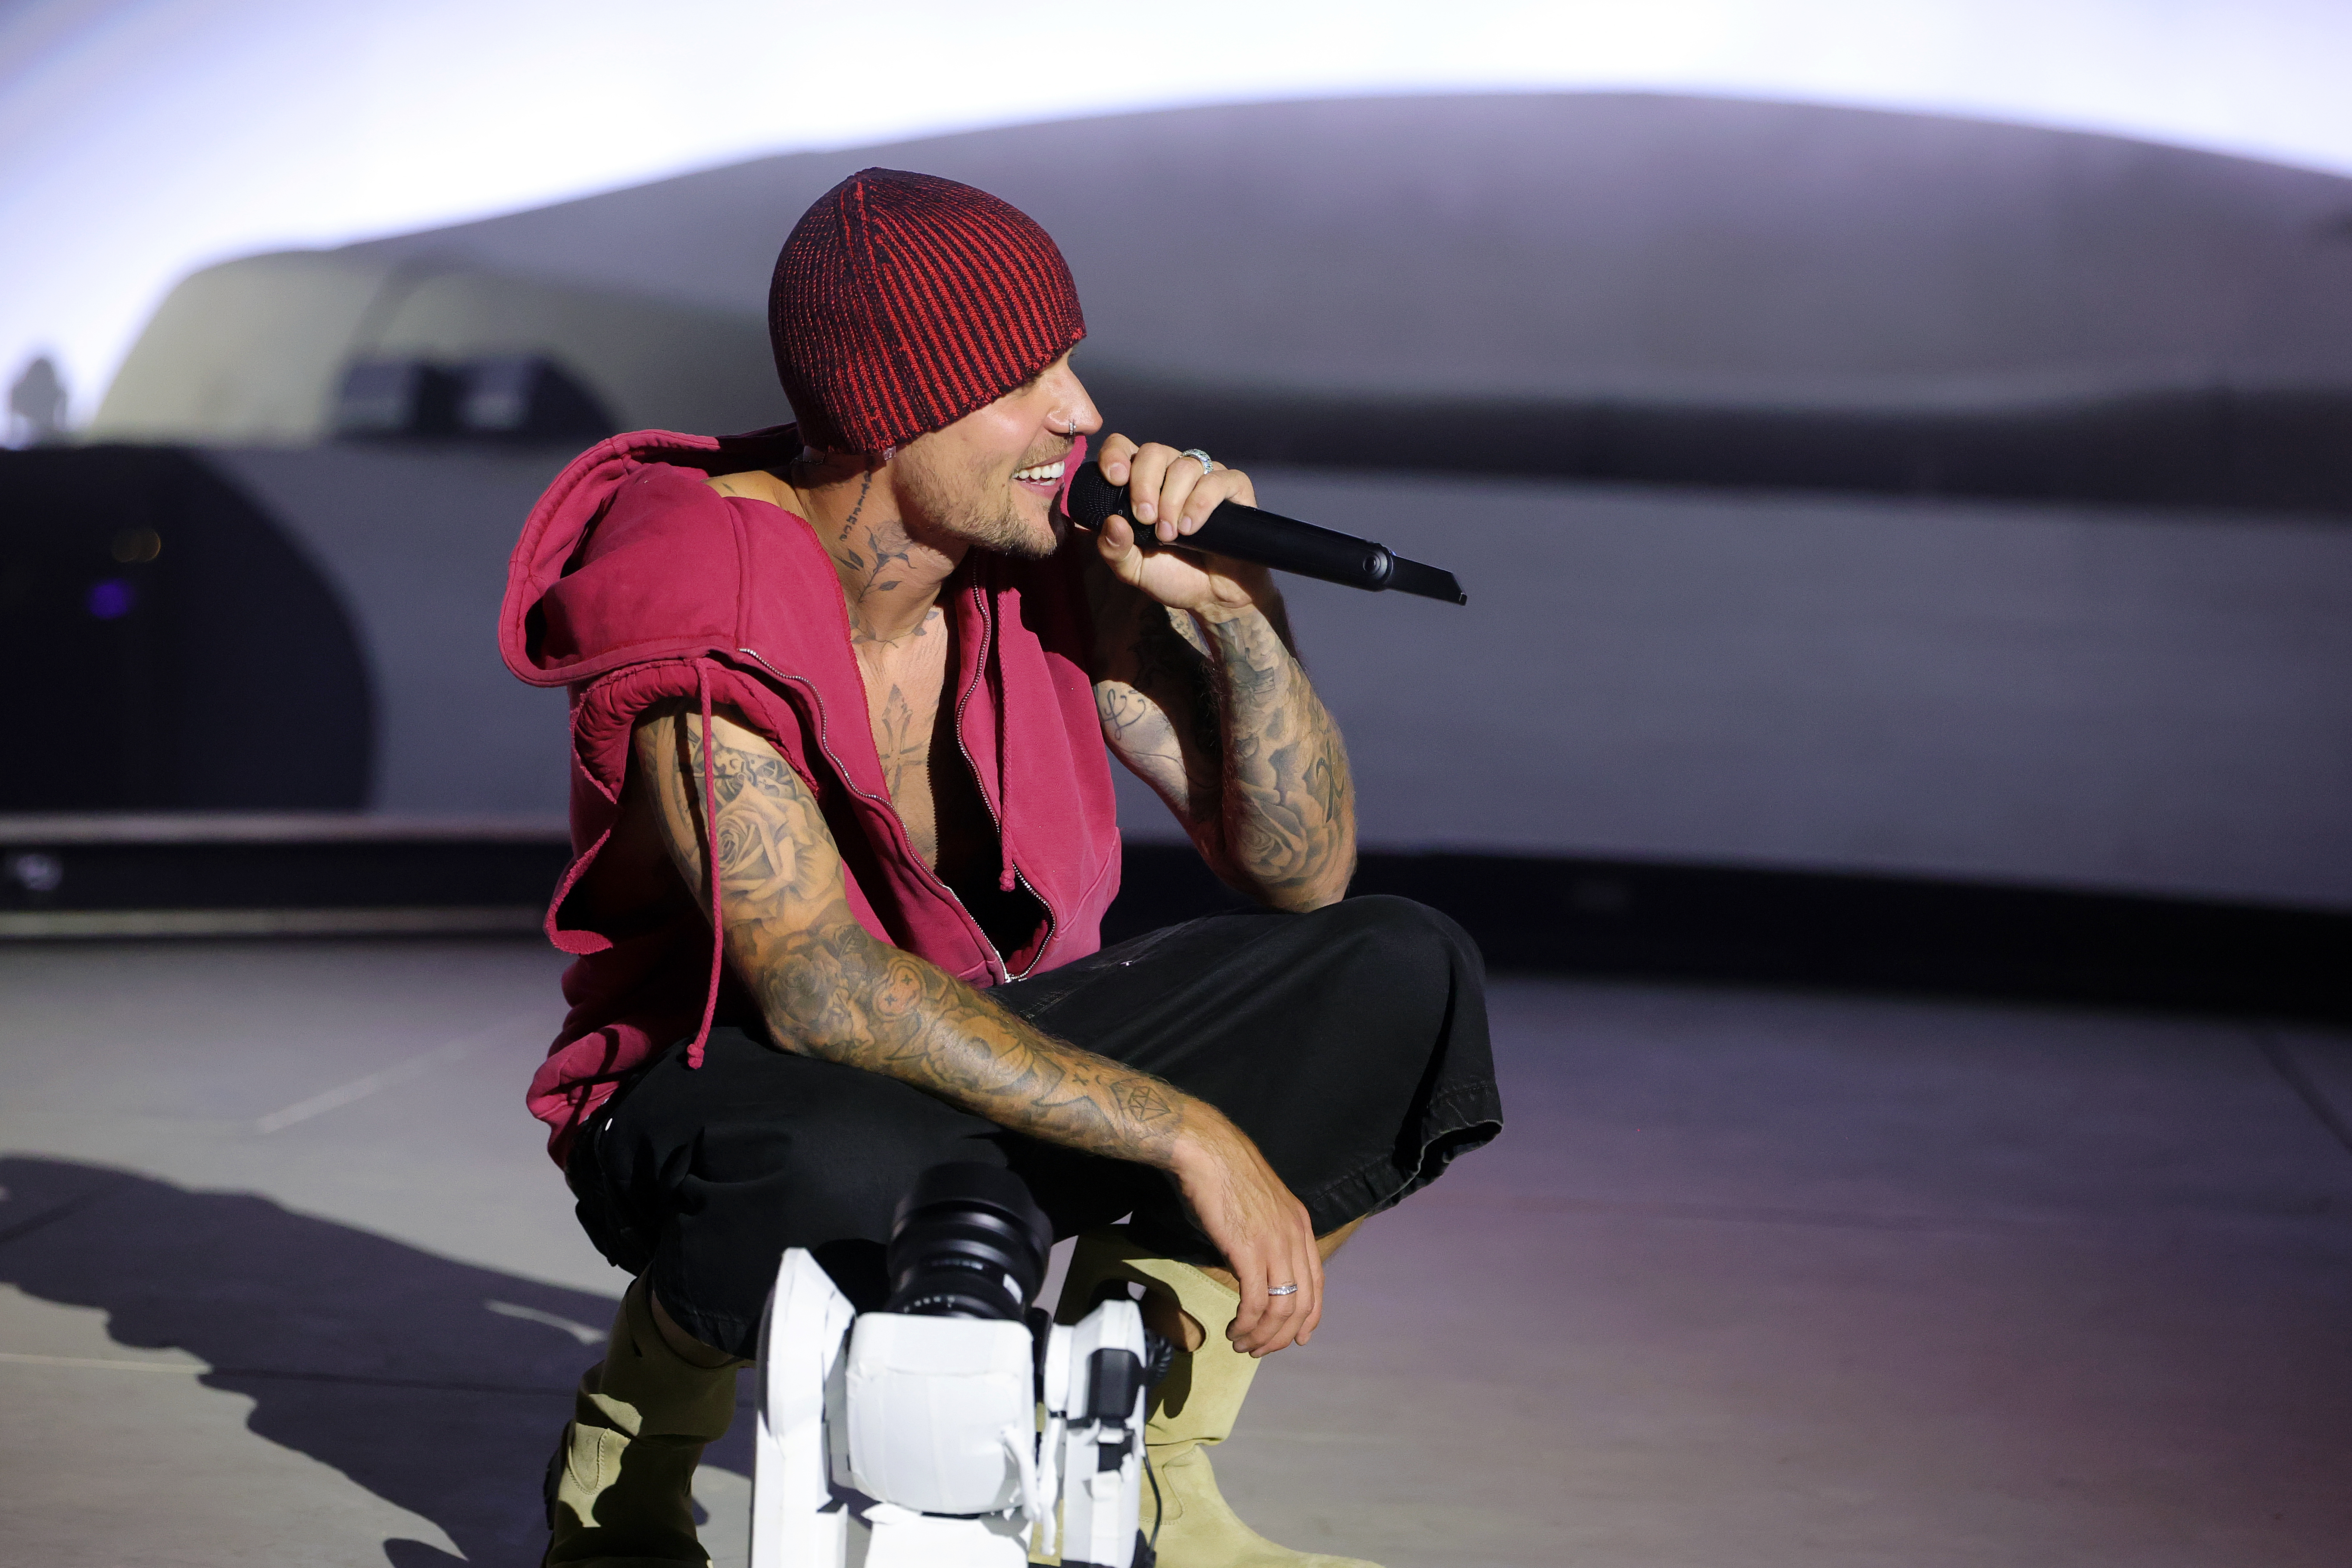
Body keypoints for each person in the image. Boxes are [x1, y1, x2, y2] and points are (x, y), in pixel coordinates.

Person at [500, 167, 1502, 1568]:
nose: (1079, 414)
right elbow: (818, 990)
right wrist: (1188, 1133)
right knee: (853, 1162)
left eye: (1068, 364)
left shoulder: (1041, 555)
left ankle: (1133, 1463)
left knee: (1398, 973)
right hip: (730, 1090)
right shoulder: (698, 582)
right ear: (888, 410)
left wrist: (1238, 615)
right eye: (1021, 383)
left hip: (974, 1051)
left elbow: (1299, 875)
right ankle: (636, 1436)